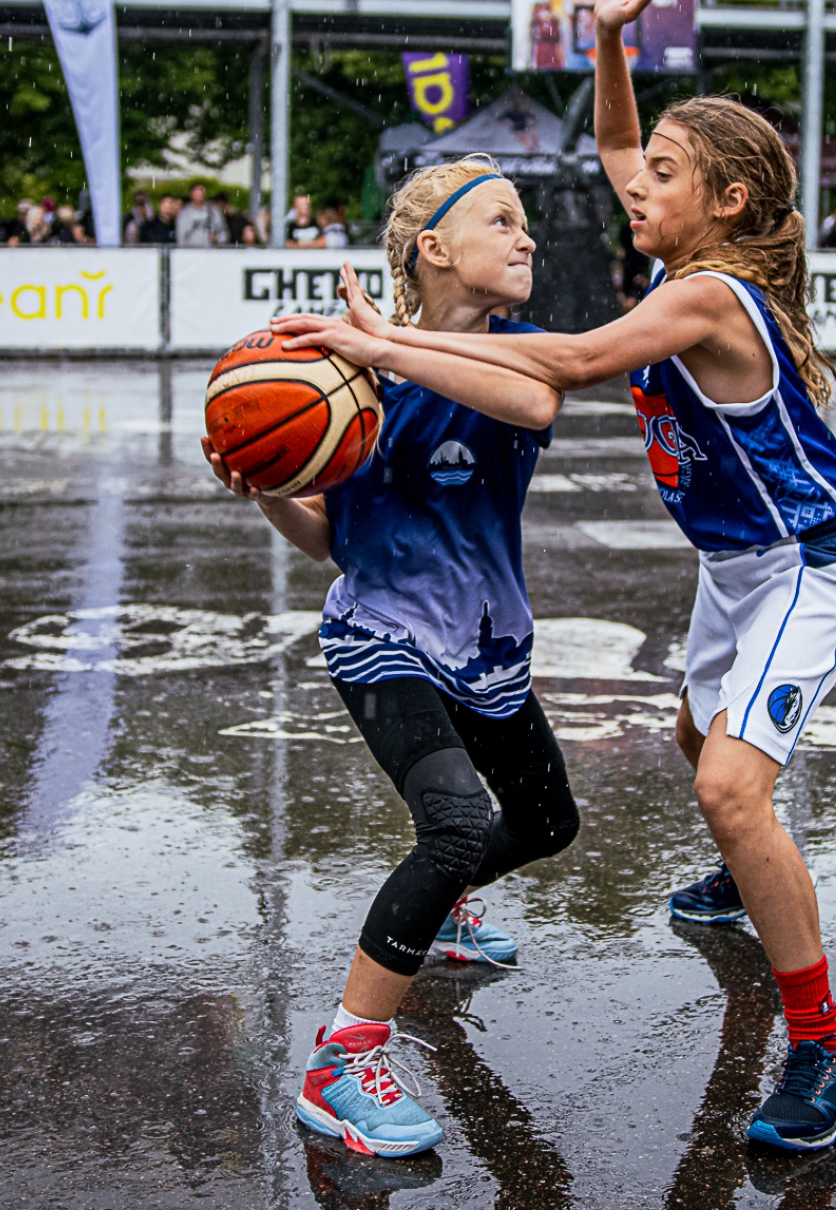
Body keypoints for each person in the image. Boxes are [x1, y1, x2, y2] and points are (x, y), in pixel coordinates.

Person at [280, 0, 836, 1155]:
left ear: (724, 204)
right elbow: (615, 140)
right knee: (701, 743)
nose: (629, 183)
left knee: (729, 788)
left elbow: (569, 361)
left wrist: (383, 345)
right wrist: (607, 36)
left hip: (808, 560)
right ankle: (746, 875)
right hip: (735, 566)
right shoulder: (683, 247)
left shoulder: (707, 294)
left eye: (658, 174)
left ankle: (826, 1048)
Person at [209, 154, 580, 1159]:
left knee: (546, 823)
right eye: (499, 219)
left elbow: (534, 405)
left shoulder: (520, 355)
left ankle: (441, 913)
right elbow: (331, 540)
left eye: (523, 222)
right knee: (453, 825)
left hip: (486, 641)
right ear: (433, 248)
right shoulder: (352, 383)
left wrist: (388, 346)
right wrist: (267, 482)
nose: (526, 236)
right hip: (379, 636)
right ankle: (340, 1063)